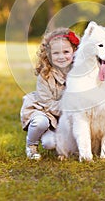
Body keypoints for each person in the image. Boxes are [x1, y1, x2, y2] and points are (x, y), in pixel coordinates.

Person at [20, 28, 80, 160]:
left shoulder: (79, 71)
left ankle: (70, 147)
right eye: (56, 53)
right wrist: (68, 108)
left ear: (74, 51)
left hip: (65, 117)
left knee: (53, 143)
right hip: (45, 111)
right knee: (43, 128)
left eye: (66, 52)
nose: (61, 57)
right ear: (49, 54)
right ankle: (31, 145)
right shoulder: (45, 75)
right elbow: (46, 103)